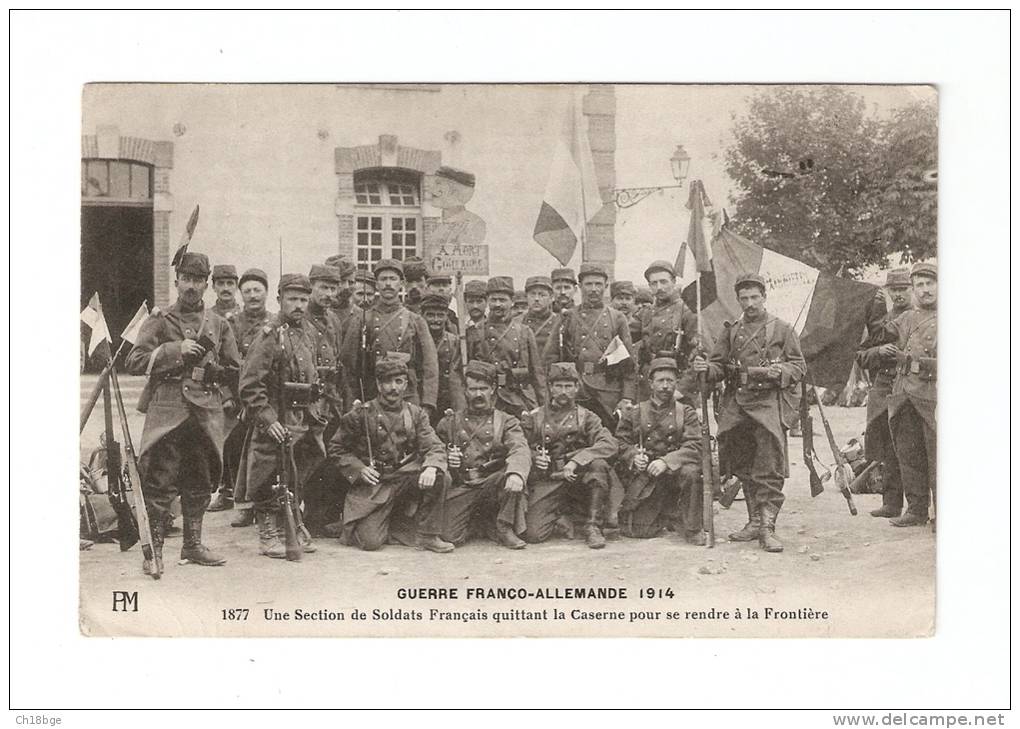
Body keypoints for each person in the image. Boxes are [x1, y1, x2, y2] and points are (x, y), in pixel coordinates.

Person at [125, 252, 241, 576]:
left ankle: (192, 545)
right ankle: (155, 552)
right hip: (168, 409)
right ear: (177, 281)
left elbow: (233, 370)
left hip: (205, 410)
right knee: (161, 481)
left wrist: (211, 369)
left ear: (207, 284)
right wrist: (176, 351)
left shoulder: (219, 324)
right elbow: (134, 361)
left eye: (197, 280)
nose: (191, 286)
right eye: (186, 279)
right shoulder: (160, 319)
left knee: (201, 479)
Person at [692, 272, 806, 553]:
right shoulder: (731, 331)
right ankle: (754, 521)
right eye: (744, 298)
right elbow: (718, 366)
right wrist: (707, 369)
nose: (750, 303)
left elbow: (799, 366)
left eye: (755, 297)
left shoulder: (781, 329)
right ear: (739, 300)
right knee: (742, 465)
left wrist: (779, 371)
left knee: (768, 466)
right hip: (738, 405)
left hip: (768, 406)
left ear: (764, 297)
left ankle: (768, 528)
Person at [235, 274, 325, 558]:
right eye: (292, 299)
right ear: (279, 300)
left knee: (296, 475)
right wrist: (267, 419)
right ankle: (268, 534)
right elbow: (249, 384)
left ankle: (293, 526)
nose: (298, 305)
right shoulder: (270, 334)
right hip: (274, 417)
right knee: (267, 473)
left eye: (302, 299)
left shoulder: (309, 332)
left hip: (302, 417)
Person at [327, 359, 452, 552]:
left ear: (406, 384)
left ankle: (429, 535)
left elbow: (435, 446)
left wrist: (432, 467)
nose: (393, 388)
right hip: (375, 485)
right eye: (387, 382)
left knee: (440, 475)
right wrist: (358, 469)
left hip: (405, 477)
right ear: (378, 384)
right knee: (370, 542)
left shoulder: (416, 414)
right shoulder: (360, 414)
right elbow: (336, 447)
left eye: (399, 381)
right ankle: (386, 523)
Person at [521, 362, 619, 549]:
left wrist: (576, 460)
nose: (563, 391)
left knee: (598, 465)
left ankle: (592, 525)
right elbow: (519, 447)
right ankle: (561, 516)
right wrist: (534, 457)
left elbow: (609, 444)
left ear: (576, 388)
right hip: (549, 479)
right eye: (558, 386)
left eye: (568, 386)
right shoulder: (535, 417)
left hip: (578, 479)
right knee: (534, 534)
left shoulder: (587, 417)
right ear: (550, 387)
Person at [436, 360, 530, 549]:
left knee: (508, 475)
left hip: (492, 484)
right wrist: (447, 458)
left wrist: (516, 472)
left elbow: (519, 447)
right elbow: (433, 450)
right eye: (472, 389)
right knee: (450, 537)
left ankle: (504, 527)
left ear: (493, 389)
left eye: (483, 388)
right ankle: (482, 524)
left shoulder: (507, 421)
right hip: (464, 486)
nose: (478, 394)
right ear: (464, 390)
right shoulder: (449, 422)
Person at [614, 358, 704, 543]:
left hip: (675, 472)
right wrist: (632, 456)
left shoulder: (685, 412)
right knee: (638, 531)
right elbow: (620, 442)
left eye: (670, 381)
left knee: (692, 472)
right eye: (660, 381)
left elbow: (694, 444)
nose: (665, 386)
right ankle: (669, 512)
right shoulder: (636, 412)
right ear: (650, 384)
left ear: (676, 383)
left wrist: (666, 462)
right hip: (648, 475)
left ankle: (693, 528)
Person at [208, 267, 274, 520]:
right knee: (234, 447)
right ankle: (238, 500)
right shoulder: (231, 323)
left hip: (264, 396)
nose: (253, 295)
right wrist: (226, 395)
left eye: (258, 290)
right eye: (248, 291)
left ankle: (262, 504)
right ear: (241, 294)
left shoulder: (274, 322)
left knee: (262, 454)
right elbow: (220, 362)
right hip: (236, 397)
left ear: (266, 293)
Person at [339, 258, 439, 415]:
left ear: (401, 283)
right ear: (377, 284)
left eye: (393, 279)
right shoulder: (362, 319)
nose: (388, 284)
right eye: (383, 279)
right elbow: (348, 365)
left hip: (408, 397)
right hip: (372, 396)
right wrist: (353, 401)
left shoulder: (415, 320)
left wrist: (427, 403)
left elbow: (429, 365)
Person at [543, 262, 637, 429]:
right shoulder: (567, 317)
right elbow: (550, 358)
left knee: (609, 435)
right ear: (580, 287)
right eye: (588, 284)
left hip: (609, 391)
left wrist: (626, 397)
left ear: (606, 286)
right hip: (577, 391)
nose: (593, 289)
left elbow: (629, 364)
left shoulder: (617, 318)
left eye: (598, 284)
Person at [883, 262, 937, 528]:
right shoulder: (906, 318)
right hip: (904, 395)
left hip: (933, 396)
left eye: (930, 284)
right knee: (908, 453)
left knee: (938, 455)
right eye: (920, 285)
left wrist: (914, 361)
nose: (925, 290)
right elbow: (879, 334)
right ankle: (916, 509)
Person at [856, 268, 913, 518]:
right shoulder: (881, 322)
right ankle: (891, 502)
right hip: (884, 385)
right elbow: (860, 355)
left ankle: (918, 506)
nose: (899, 294)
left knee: (912, 446)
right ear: (888, 292)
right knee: (887, 445)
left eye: (903, 289)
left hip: (912, 385)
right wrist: (878, 353)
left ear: (911, 289)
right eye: (894, 290)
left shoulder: (923, 317)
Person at [468, 276, 547, 415]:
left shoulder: (524, 332)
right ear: (487, 302)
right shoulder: (475, 332)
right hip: (487, 400)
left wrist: (544, 406)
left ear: (512, 302)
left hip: (518, 398)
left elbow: (536, 373)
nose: (498, 304)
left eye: (503, 300)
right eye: (494, 300)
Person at [634, 260, 701, 403]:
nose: (659, 287)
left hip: (675, 383)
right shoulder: (645, 313)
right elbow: (624, 335)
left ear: (674, 281)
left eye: (663, 282)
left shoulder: (687, 311)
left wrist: (682, 388)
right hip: (649, 384)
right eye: (654, 283)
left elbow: (698, 354)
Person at [306, 264, 346, 429]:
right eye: (323, 288)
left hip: (331, 396)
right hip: (308, 397)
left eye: (333, 289)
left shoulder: (334, 319)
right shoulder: (300, 317)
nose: (328, 294)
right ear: (311, 287)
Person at [421, 292, 466, 423]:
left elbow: (456, 380)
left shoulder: (454, 342)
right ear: (422, 316)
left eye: (440, 315)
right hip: (422, 401)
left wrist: (459, 412)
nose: (436, 320)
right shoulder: (415, 341)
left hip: (446, 402)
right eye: (430, 315)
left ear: (446, 316)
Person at [325, 255, 363, 343]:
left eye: (351, 282)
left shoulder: (360, 315)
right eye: (341, 281)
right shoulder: (318, 313)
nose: (346, 287)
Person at [520, 275, 559, 354]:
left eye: (542, 295)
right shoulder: (518, 322)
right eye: (532, 294)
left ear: (551, 298)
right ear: (526, 297)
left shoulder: (559, 321)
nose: (536, 299)